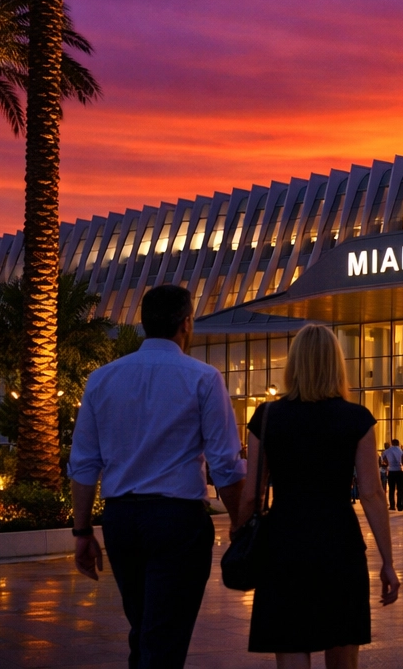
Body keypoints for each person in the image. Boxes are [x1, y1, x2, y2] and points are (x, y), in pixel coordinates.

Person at [69, 284, 246, 669]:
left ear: (144, 323)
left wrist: (82, 532)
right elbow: (225, 464)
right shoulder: (203, 378)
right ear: (186, 324)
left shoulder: (102, 379)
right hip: (178, 521)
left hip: (121, 520)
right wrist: (240, 522)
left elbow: (84, 463)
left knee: (145, 627)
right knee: (164, 635)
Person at [237, 323, 399, 667]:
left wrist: (240, 536)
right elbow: (371, 493)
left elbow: (251, 493)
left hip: (284, 542)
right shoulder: (356, 418)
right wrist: (387, 561)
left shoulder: (267, 417)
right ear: (335, 365)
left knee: (292, 642)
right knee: (342, 647)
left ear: (294, 364)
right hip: (339, 542)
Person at [383, 438, 403, 511]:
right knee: (400, 489)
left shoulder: (387, 451)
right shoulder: (401, 451)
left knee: (391, 489)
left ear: (392, 443)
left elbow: (384, 460)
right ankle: (399, 505)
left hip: (391, 470)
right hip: (399, 470)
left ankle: (392, 505)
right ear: (398, 443)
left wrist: (389, 464)